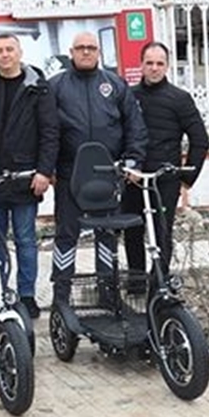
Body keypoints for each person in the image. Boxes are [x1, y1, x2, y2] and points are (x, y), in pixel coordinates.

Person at [49, 31, 147, 306]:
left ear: (98, 52)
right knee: (66, 234)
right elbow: (47, 131)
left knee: (106, 233)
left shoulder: (115, 85)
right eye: (80, 48)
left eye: (91, 47)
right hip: (69, 174)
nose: (86, 52)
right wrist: (48, 167)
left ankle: (108, 293)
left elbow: (135, 127)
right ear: (71, 52)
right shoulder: (56, 86)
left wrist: (134, 161)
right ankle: (61, 297)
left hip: (108, 175)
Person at [0, 32, 59, 319]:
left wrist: (45, 171)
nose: (4, 54)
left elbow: (50, 132)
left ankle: (27, 295)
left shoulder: (38, 87)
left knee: (25, 239)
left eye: (9, 49)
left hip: (27, 178)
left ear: (19, 52)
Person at [121, 41, 209, 287]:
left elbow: (200, 140)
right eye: (149, 63)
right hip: (133, 177)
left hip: (165, 179)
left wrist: (187, 178)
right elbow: (117, 134)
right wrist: (124, 168)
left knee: (161, 232)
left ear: (167, 66)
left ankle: (159, 282)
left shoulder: (180, 99)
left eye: (159, 63)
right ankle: (137, 283)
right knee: (132, 230)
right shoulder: (129, 96)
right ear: (141, 65)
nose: (154, 68)